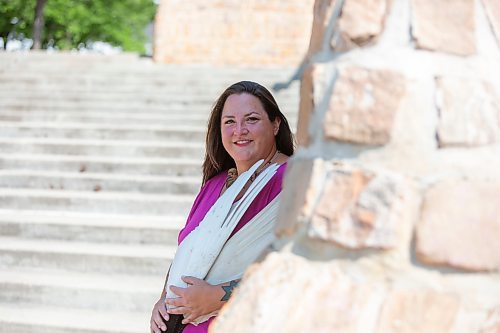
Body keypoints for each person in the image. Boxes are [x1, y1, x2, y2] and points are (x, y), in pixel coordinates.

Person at [150, 81, 295, 333]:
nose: (239, 130)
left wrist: (218, 296)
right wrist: (163, 299)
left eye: (251, 119)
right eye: (229, 122)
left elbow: (301, 269)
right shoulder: (214, 185)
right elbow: (187, 251)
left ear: (275, 124)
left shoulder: (294, 180)